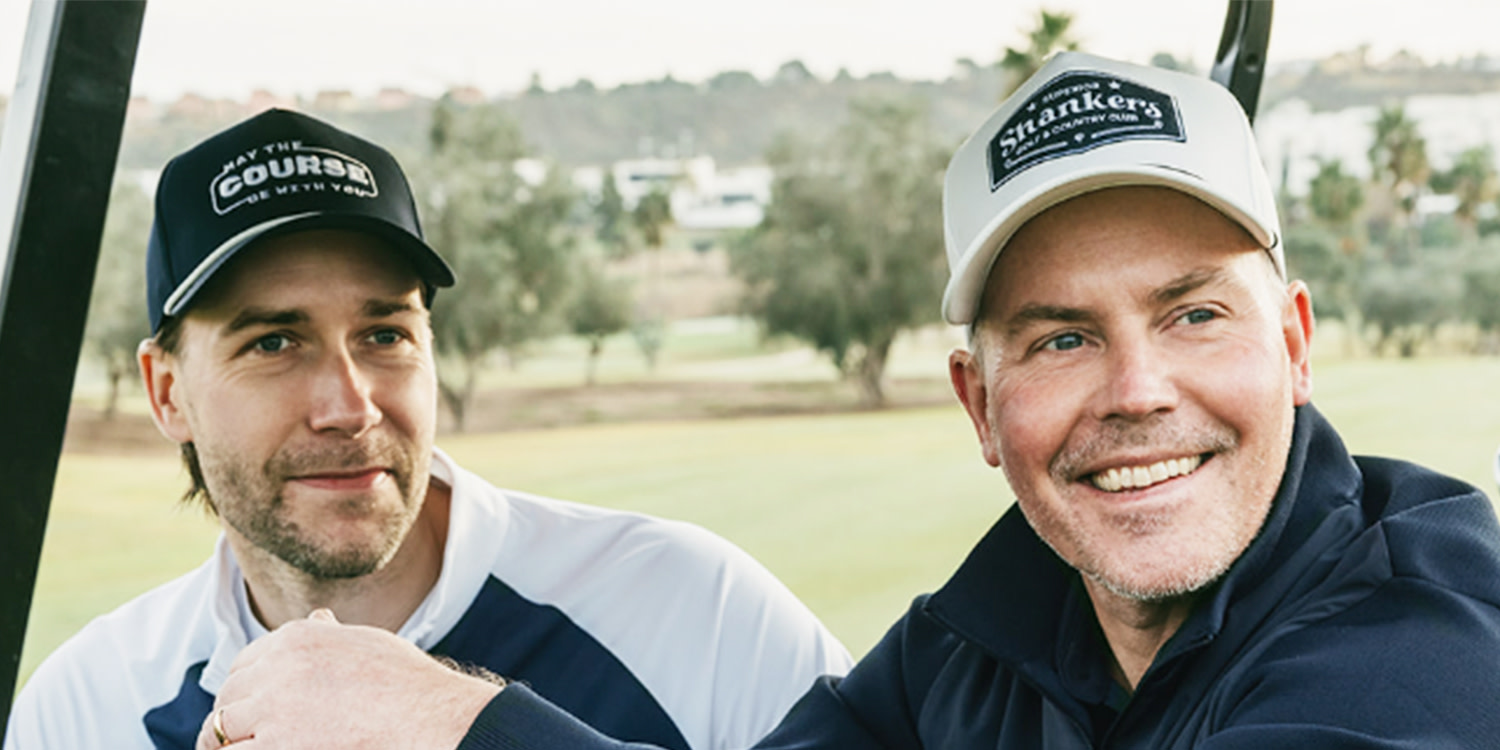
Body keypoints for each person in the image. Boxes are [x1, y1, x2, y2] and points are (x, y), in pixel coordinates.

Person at [184, 52, 1500, 750]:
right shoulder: (980, 645)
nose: (1138, 391)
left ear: (1296, 344)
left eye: (1194, 314)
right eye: (1059, 338)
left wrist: (455, 726)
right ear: (978, 405)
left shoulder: (1423, 644)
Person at [2, 108, 852, 750]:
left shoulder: (693, 613)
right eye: (274, 343)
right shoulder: (87, 708)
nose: (350, 406)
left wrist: (472, 730)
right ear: (166, 392)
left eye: (385, 335)